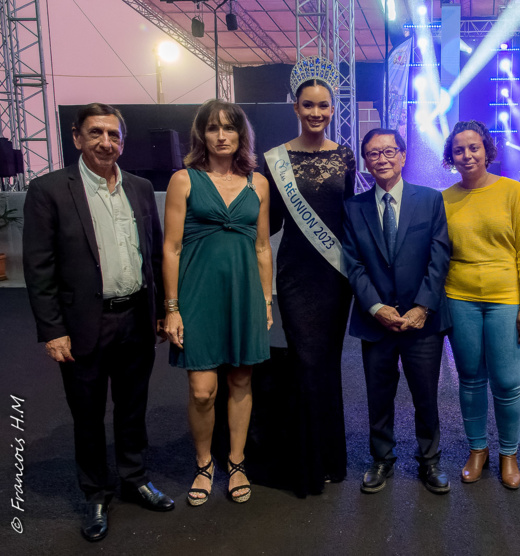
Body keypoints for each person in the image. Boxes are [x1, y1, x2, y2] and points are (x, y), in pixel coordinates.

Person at [23, 103, 174, 542]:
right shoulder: (49, 190)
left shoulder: (142, 188)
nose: (105, 142)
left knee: (133, 407)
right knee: (87, 413)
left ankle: (134, 477)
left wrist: (163, 311)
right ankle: (94, 492)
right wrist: (52, 329)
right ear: (77, 137)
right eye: (96, 133)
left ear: (123, 141)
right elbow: (39, 267)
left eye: (113, 134)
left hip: (135, 319)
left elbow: (154, 251)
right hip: (83, 324)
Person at [162, 99, 272, 506]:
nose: (222, 136)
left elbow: (262, 247)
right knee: (203, 390)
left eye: (230, 128)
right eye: (213, 128)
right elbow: (171, 248)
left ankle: (237, 462)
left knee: (241, 380)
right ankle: (205, 463)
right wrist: (171, 308)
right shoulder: (184, 180)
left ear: (242, 135)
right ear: (201, 135)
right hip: (198, 295)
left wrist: (265, 301)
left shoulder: (257, 183)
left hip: (244, 294)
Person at [264, 56, 356, 496]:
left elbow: (352, 218)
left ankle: (330, 458)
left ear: (332, 109)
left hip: (335, 277)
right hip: (297, 277)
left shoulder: (345, 157)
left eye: (324, 105)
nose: (316, 112)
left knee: (328, 365)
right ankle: (305, 459)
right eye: (308, 105)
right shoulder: (275, 160)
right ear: (295, 107)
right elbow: (270, 224)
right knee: (305, 363)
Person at [342, 128, 452, 494]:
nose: (382, 159)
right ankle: (381, 459)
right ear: (366, 162)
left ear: (403, 156)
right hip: (377, 322)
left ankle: (430, 461)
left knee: (426, 395)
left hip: (422, 321)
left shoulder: (430, 200)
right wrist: (375, 307)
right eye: (373, 154)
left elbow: (439, 258)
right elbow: (353, 264)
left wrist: (423, 306)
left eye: (389, 151)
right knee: (379, 394)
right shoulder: (353, 207)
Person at [441, 120, 520, 490]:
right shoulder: (444, 199)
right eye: (459, 149)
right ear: (450, 156)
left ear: (487, 150)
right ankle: (477, 450)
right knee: (470, 379)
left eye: (474, 147)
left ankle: (508, 454)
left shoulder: (512, 192)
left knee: (508, 382)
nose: (466, 155)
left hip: (505, 301)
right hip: (460, 298)